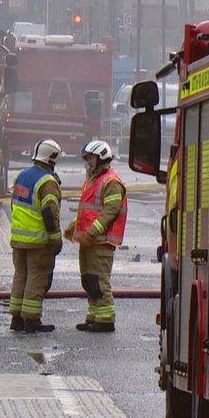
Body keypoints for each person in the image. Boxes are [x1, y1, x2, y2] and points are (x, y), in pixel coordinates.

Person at [64, 140, 128, 333]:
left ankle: (106, 319)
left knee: (99, 281)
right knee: (89, 280)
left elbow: (110, 212)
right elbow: (87, 212)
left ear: (101, 158)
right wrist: (74, 228)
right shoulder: (92, 179)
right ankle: (93, 317)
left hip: (100, 242)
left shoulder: (111, 182)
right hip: (88, 241)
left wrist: (91, 232)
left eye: (91, 158)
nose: (88, 162)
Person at [9, 139, 63, 333]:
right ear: (51, 159)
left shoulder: (20, 176)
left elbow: (14, 205)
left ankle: (16, 318)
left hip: (18, 239)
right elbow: (49, 213)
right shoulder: (47, 182)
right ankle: (31, 320)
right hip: (38, 241)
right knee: (37, 278)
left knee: (20, 276)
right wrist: (56, 238)